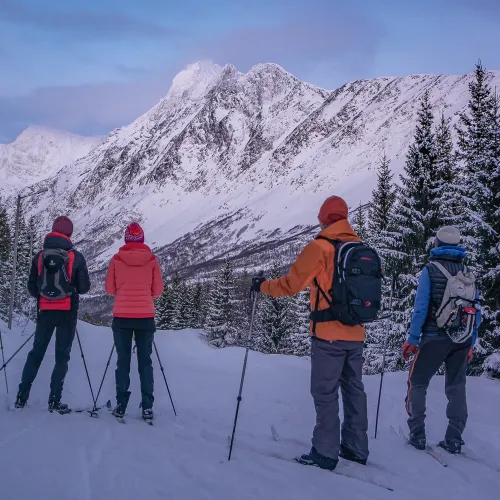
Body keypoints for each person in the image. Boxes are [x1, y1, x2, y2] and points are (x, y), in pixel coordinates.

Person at [251, 196, 369, 471]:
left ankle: (325, 453)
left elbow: (292, 284)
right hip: (356, 334)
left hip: (328, 334)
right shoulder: (360, 247)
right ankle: (355, 448)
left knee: (325, 392)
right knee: (354, 391)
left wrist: (263, 286)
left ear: (324, 217)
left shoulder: (320, 247)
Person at [402, 226, 481, 454]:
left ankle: (417, 435)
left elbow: (421, 308)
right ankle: (454, 439)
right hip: (461, 339)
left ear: (436, 244)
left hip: (433, 337)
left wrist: (413, 339)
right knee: (456, 387)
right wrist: (471, 341)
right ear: (458, 246)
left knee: (417, 383)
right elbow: (477, 309)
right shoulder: (467, 272)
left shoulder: (430, 269)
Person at [16, 216, 91, 414]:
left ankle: (21, 397)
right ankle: (54, 401)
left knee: (36, 352)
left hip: (45, 311)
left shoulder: (40, 256)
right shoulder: (76, 256)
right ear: (69, 234)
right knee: (61, 357)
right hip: (67, 312)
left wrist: (45, 295)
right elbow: (84, 288)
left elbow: (32, 287)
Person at [105, 222, 163, 421]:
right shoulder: (152, 261)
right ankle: (147, 406)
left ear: (126, 239)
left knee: (123, 361)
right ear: (142, 239)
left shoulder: (116, 260)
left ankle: (121, 405)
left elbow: (110, 290)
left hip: (122, 317)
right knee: (145, 362)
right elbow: (157, 291)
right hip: (145, 317)